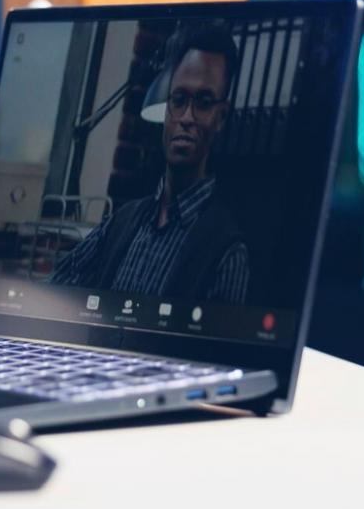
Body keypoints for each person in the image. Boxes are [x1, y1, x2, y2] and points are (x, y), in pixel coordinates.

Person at [49, 23, 251, 304]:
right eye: (178, 100)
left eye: (203, 102)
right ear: (167, 108)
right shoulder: (123, 220)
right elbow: (54, 291)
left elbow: (212, 348)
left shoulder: (226, 252)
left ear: (221, 117)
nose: (187, 117)